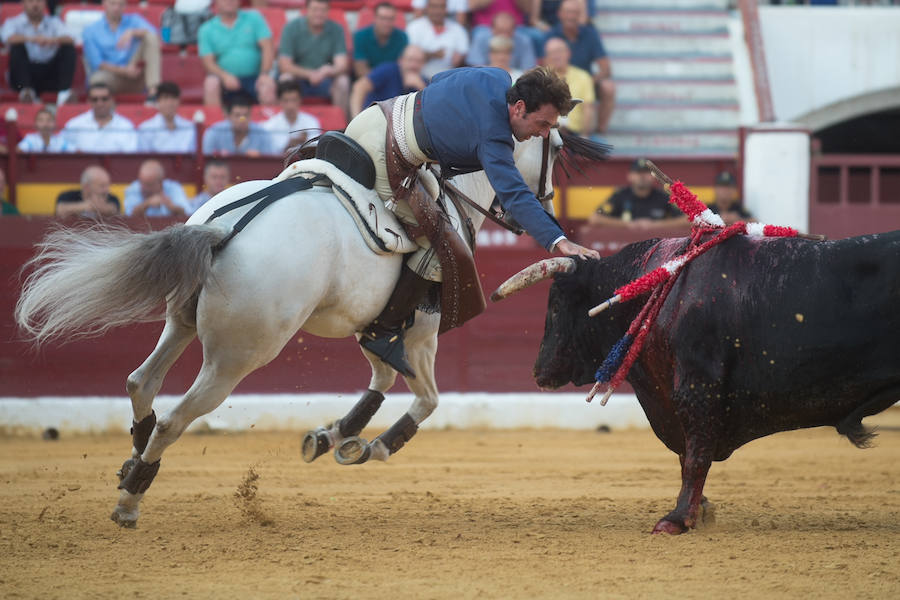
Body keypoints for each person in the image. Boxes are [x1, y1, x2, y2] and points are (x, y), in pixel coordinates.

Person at [343, 66, 599, 377]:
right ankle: (382, 331)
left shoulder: (497, 76)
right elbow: (515, 194)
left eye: (551, 127)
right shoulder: (494, 138)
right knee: (438, 237)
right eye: (542, 124)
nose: (544, 134)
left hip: (370, 118)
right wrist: (559, 240)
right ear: (519, 108)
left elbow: (439, 79)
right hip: (384, 150)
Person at [546, 0, 615, 133]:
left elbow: (606, 68)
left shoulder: (590, 33)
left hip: (584, 80)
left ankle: (599, 131)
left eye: (574, 12)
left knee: (608, 87)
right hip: (556, 80)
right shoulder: (551, 35)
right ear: (559, 14)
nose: (571, 16)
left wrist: (585, 82)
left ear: (580, 15)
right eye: (568, 12)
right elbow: (544, 64)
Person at [199, 0, 276, 108]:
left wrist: (264, 74)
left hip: (255, 77)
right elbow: (208, 62)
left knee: (267, 84)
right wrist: (225, 76)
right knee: (211, 83)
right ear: (216, 2)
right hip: (224, 80)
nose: (229, 1)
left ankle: (269, 118)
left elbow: (267, 47)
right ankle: (214, 118)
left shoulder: (254, 18)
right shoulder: (206, 29)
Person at [278, 0, 350, 113]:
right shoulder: (291, 28)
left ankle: (341, 121)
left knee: (343, 82)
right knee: (285, 79)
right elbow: (284, 65)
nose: (319, 14)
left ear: (328, 11)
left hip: (326, 80)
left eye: (323, 10)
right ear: (306, 10)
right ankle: (286, 120)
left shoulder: (336, 29)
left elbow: (342, 64)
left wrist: (328, 70)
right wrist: (310, 74)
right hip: (298, 79)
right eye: (315, 9)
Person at [82, 0, 162, 100]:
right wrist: (124, 71)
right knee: (97, 80)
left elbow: (156, 37)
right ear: (104, 4)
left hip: (136, 73)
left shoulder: (134, 20)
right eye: (113, 4)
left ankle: (153, 92)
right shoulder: (91, 30)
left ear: (125, 5)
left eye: (121, 4)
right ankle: (103, 102)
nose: (116, 8)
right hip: (111, 76)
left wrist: (133, 32)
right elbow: (97, 63)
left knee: (150, 38)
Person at [0, 0, 76, 105]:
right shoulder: (13, 22)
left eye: (39, 1)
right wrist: (33, 39)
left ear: (45, 3)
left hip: (50, 73)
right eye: (31, 1)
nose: (35, 5)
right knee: (17, 47)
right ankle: (27, 93)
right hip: (25, 74)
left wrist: (52, 40)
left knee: (68, 48)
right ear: (23, 4)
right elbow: (7, 38)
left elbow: (71, 38)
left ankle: (64, 93)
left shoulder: (54, 22)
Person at [588, 158, 685, 229]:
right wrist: (628, 225)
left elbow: (687, 220)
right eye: (638, 172)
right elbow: (595, 219)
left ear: (654, 176)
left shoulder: (663, 196)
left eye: (646, 172)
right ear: (630, 176)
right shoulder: (620, 195)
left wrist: (655, 225)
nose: (642, 176)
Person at [349, 45, 427, 118]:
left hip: (399, 125)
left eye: (418, 61)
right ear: (401, 61)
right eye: (410, 60)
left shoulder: (424, 83)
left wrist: (421, 87)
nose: (413, 65)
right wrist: (356, 118)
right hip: (374, 118)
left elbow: (430, 111)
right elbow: (359, 87)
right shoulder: (388, 71)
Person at [61, 82, 138, 153]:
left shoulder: (126, 126)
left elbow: (131, 155)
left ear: (112, 100)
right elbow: (61, 146)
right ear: (88, 101)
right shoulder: (75, 124)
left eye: (104, 99)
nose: (100, 103)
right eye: (95, 100)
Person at [405, 0, 469, 80]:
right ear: (427, 8)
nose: (437, 11)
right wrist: (433, 54)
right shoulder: (414, 27)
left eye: (441, 7)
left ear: (446, 9)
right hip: (418, 78)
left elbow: (460, 58)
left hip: (448, 79)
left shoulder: (458, 29)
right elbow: (410, 58)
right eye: (434, 6)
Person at [543, 37, 593, 135]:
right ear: (546, 57)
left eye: (559, 51)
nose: (556, 56)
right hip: (546, 133)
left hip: (574, 134)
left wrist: (585, 135)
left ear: (568, 53)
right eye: (551, 53)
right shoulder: (541, 77)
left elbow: (588, 108)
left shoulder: (583, 76)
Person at [262, 80, 322, 155]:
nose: (290, 106)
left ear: (300, 100)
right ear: (279, 101)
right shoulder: (270, 125)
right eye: (286, 101)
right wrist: (289, 144)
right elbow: (269, 152)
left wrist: (305, 142)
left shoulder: (311, 122)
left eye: (294, 100)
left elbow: (316, 149)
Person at [202, 92, 273, 156]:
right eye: (237, 115)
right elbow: (205, 159)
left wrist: (259, 158)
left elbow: (269, 163)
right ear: (228, 116)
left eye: (246, 115)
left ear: (251, 115)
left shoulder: (263, 134)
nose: (242, 120)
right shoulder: (214, 132)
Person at [137, 81, 197, 153]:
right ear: (158, 101)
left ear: (179, 101)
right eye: (165, 98)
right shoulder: (146, 129)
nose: (170, 103)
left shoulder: (190, 128)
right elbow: (143, 157)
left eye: (173, 98)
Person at [353, 2, 408, 78]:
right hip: (366, 80)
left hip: (393, 80)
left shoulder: (402, 37)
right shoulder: (360, 36)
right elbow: (360, 69)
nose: (386, 23)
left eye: (390, 19)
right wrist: (380, 81)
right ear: (374, 18)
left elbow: (403, 66)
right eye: (382, 18)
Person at [466, 10, 536, 71]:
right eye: (500, 31)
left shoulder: (524, 41)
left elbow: (528, 69)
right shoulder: (481, 38)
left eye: (507, 31)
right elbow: (475, 66)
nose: (503, 35)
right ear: (492, 29)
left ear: (514, 30)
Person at [123, 159, 191, 217]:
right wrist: (147, 204)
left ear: (161, 182)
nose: (144, 188)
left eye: (149, 185)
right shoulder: (133, 189)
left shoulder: (174, 188)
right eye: (142, 183)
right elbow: (128, 216)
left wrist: (171, 206)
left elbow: (187, 213)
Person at [55, 165, 120, 218]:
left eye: (107, 185)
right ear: (86, 186)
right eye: (102, 186)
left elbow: (114, 209)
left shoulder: (112, 198)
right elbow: (60, 209)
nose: (107, 190)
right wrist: (87, 206)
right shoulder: (67, 196)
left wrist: (94, 207)